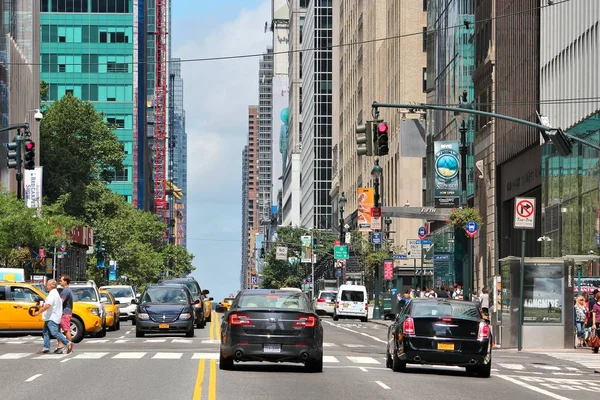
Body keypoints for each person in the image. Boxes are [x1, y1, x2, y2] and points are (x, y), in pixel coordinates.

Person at [33, 279, 73, 354]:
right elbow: (48, 304)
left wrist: (39, 311)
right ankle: (46, 347)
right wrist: (40, 306)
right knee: (46, 332)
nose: (46, 286)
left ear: (51, 285)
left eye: (47, 284)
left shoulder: (53, 294)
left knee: (54, 332)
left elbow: (49, 305)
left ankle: (68, 343)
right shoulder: (54, 293)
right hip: (50, 316)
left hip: (52, 316)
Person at [55, 275, 73, 354]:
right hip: (64, 312)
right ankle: (60, 346)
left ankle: (69, 347)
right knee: (58, 330)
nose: (60, 281)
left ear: (66, 282)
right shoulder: (66, 290)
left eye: (61, 280)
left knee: (66, 330)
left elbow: (61, 301)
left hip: (65, 313)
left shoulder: (66, 290)